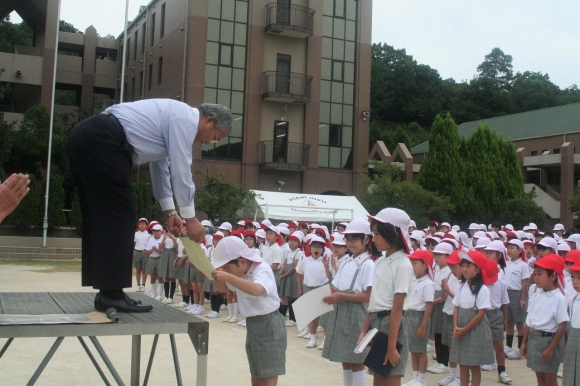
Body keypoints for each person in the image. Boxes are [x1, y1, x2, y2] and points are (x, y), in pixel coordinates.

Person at [67, 100, 231, 312]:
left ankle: (107, 292)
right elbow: (181, 171)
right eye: (215, 137)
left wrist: (170, 211)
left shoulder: (173, 117)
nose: (209, 143)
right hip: (103, 139)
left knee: (102, 215)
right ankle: (111, 294)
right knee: (120, 215)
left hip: (90, 136)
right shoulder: (184, 120)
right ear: (210, 120)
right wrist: (190, 218)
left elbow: (160, 166)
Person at [210, 237, 287, 386]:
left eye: (227, 268)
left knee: (267, 375)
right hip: (253, 323)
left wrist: (228, 276)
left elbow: (257, 290)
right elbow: (224, 289)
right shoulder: (240, 273)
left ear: (242, 262)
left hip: (269, 323)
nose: (225, 271)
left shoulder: (262, 268)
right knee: (256, 374)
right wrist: (212, 276)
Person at [360, 208, 414, 386]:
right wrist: (364, 331)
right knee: (378, 377)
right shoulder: (382, 261)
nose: (373, 239)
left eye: (377, 234)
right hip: (377, 323)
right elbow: (373, 301)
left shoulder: (403, 265)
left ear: (393, 233)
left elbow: (397, 309)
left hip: (392, 327)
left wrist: (391, 347)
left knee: (390, 377)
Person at [321, 219, 375, 386]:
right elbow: (336, 286)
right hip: (341, 310)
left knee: (356, 359)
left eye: (354, 240)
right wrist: (333, 294)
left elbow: (368, 296)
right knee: (345, 358)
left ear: (366, 240)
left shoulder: (368, 265)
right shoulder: (347, 263)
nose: (350, 244)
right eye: (348, 240)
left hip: (357, 313)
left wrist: (341, 296)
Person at [520, 254, 568, 386]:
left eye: (540, 274)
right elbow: (530, 320)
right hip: (534, 339)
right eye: (535, 274)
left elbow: (562, 325)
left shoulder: (559, 298)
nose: (536, 278)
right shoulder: (536, 294)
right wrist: (524, 342)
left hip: (549, 340)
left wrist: (551, 348)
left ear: (553, 276)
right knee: (539, 377)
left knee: (550, 378)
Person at [449, 251, 495, 386]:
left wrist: (464, 329)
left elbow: (480, 314)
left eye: (469, 266)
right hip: (461, 329)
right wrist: (456, 326)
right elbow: (456, 307)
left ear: (478, 269)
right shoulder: (462, 286)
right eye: (463, 265)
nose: (464, 269)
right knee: (462, 364)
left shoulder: (483, 290)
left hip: (474, 330)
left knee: (474, 365)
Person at [404, 250, 435, 386]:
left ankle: (421, 379)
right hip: (410, 315)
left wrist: (423, 325)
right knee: (413, 349)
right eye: (411, 262)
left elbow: (429, 306)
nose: (412, 266)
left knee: (421, 350)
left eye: (415, 263)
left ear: (425, 265)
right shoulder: (413, 280)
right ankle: (415, 377)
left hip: (420, 317)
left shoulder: (428, 283)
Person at [483, 259, 512, 384]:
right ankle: (473, 370)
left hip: (495, 314)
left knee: (499, 345)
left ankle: (502, 371)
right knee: (477, 343)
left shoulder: (501, 284)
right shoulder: (479, 283)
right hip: (481, 313)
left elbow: (504, 303)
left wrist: (505, 319)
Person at [504, 239, 530, 359]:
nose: (509, 250)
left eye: (512, 248)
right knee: (509, 322)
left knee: (519, 322)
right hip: (507, 293)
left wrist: (522, 298)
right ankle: (508, 346)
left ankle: (520, 348)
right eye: (508, 248)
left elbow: (525, 282)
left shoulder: (523, 265)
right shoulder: (506, 264)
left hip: (517, 293)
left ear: (519, 251)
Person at [563, 258, 580, 386]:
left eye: (579, 278)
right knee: (570, 377)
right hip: (572, 342)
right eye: (573, 277)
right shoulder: (573, 299)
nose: (575, 282)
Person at [133, 218, 150, 292]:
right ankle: (138, 284)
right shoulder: (136, 234)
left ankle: (143, 285)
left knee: (144, 269)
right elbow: (134, 242)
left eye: (144, 224)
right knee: (138, 269)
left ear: (146, 225)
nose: (142, 225)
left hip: (145, 253)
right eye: (141, 224)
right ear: (138, 225)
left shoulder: (148, 235)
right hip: (137, 252)